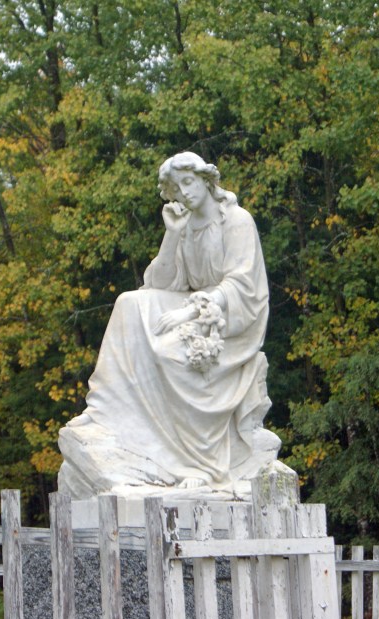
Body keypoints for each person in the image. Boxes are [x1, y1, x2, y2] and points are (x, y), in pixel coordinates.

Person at [57, 152, 281, 499]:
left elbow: (242, 285)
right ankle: (105, 409)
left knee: (169, 353)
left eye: (188, 182)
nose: (184, 192)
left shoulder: (237, 221)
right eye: (177, 188)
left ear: (206, 180)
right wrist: (172, 235)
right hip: (192, 302)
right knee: (128, 302)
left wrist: (189, 313)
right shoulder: (186, 225)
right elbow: (160, 282)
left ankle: (200, 463)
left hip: (230, 317)